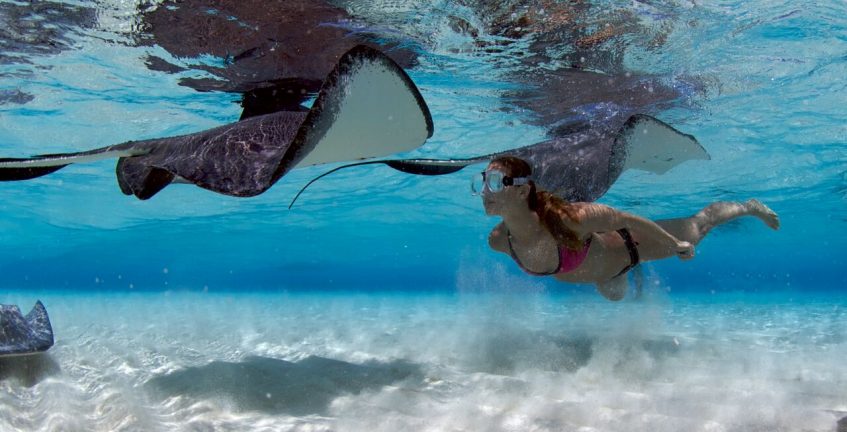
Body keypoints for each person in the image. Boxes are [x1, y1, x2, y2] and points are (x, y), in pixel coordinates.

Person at [475, 156, 780, 300]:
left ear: (520, 190)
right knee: (615, 296)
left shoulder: (570, 218)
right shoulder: (499, 241)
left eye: (492, 183)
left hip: (632, 247)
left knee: (700, 225)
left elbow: (627, 219)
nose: (484, 192)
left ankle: (747, 207)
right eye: (481, 183)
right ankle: (628, 275)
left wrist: (675, 245)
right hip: (604, 274)